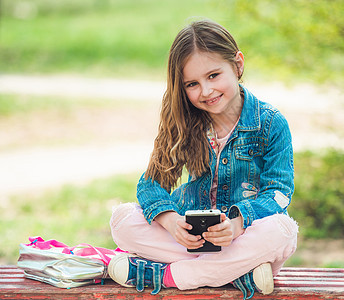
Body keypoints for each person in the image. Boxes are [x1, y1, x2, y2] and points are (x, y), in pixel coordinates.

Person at [108, 19, 298, 299]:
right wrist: (173, 223)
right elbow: (150, 185)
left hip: (242, 238)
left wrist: (238, 223)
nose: (206, 91)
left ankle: (166, 275)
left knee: (283, 230)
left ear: (238, 65)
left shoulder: (270, 124)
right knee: (122, 219)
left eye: (213, 76)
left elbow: (279, 195)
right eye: (192, 84)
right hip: (190, 240)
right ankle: (238, 274)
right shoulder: (184, 121)